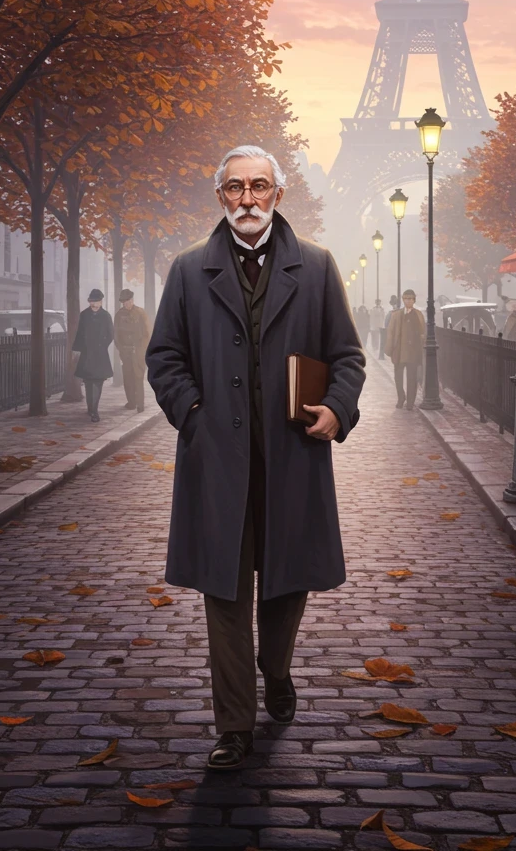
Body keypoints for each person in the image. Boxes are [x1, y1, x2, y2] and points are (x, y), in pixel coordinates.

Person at [146, 145, 365, 772]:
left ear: (278, 194)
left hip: (292, 456)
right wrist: (193, 414)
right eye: (236, 187)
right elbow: (164, 357)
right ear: (220, 196)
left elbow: (347, 356)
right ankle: (235, 726)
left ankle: (276, 667)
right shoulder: (188, 270)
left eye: (260, 186)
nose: (248, 198)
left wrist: (337, 409)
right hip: (217, 462)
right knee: (224, 594)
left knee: (287, 583)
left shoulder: (318, 267)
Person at [72, 288, 115, 421]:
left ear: (101, 302)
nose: (94, 304)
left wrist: (102, 346)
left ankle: (94, 411)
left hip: (100, 354)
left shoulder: (106, 316)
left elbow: (111, 334)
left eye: (96, 301)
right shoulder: (84, 315)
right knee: (88, 382)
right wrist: (76, 349)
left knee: (97, 382)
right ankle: (90, 408)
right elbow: (79, 333)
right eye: (91, 301)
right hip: (86, 354)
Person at [385, 288, 426, 409]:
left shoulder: (418, 315)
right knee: (398, 377)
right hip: (399, 351)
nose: (408, 301)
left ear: (414, 300)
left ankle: (410, 402)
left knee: (412, 378)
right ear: (403, 300)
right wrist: (390, 349)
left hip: (413, 352)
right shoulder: (396, 315)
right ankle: (401, 397)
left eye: (410, 299)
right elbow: (391, 332)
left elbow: (422, 332)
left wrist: (420, 343)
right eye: (406, 299)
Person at [114, 288, 153, 413]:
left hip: (138, 351)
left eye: (129, 300)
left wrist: (141, 349)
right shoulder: (119, 315)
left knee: (138, 378)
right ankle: (131, 402)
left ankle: (140, 404)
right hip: (125, 352)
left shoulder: (141, 313)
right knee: (127, 378)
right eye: (124, 302)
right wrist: (121, 349)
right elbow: (116, 334)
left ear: (132, 299)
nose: (127, 303)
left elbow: (147, 333)